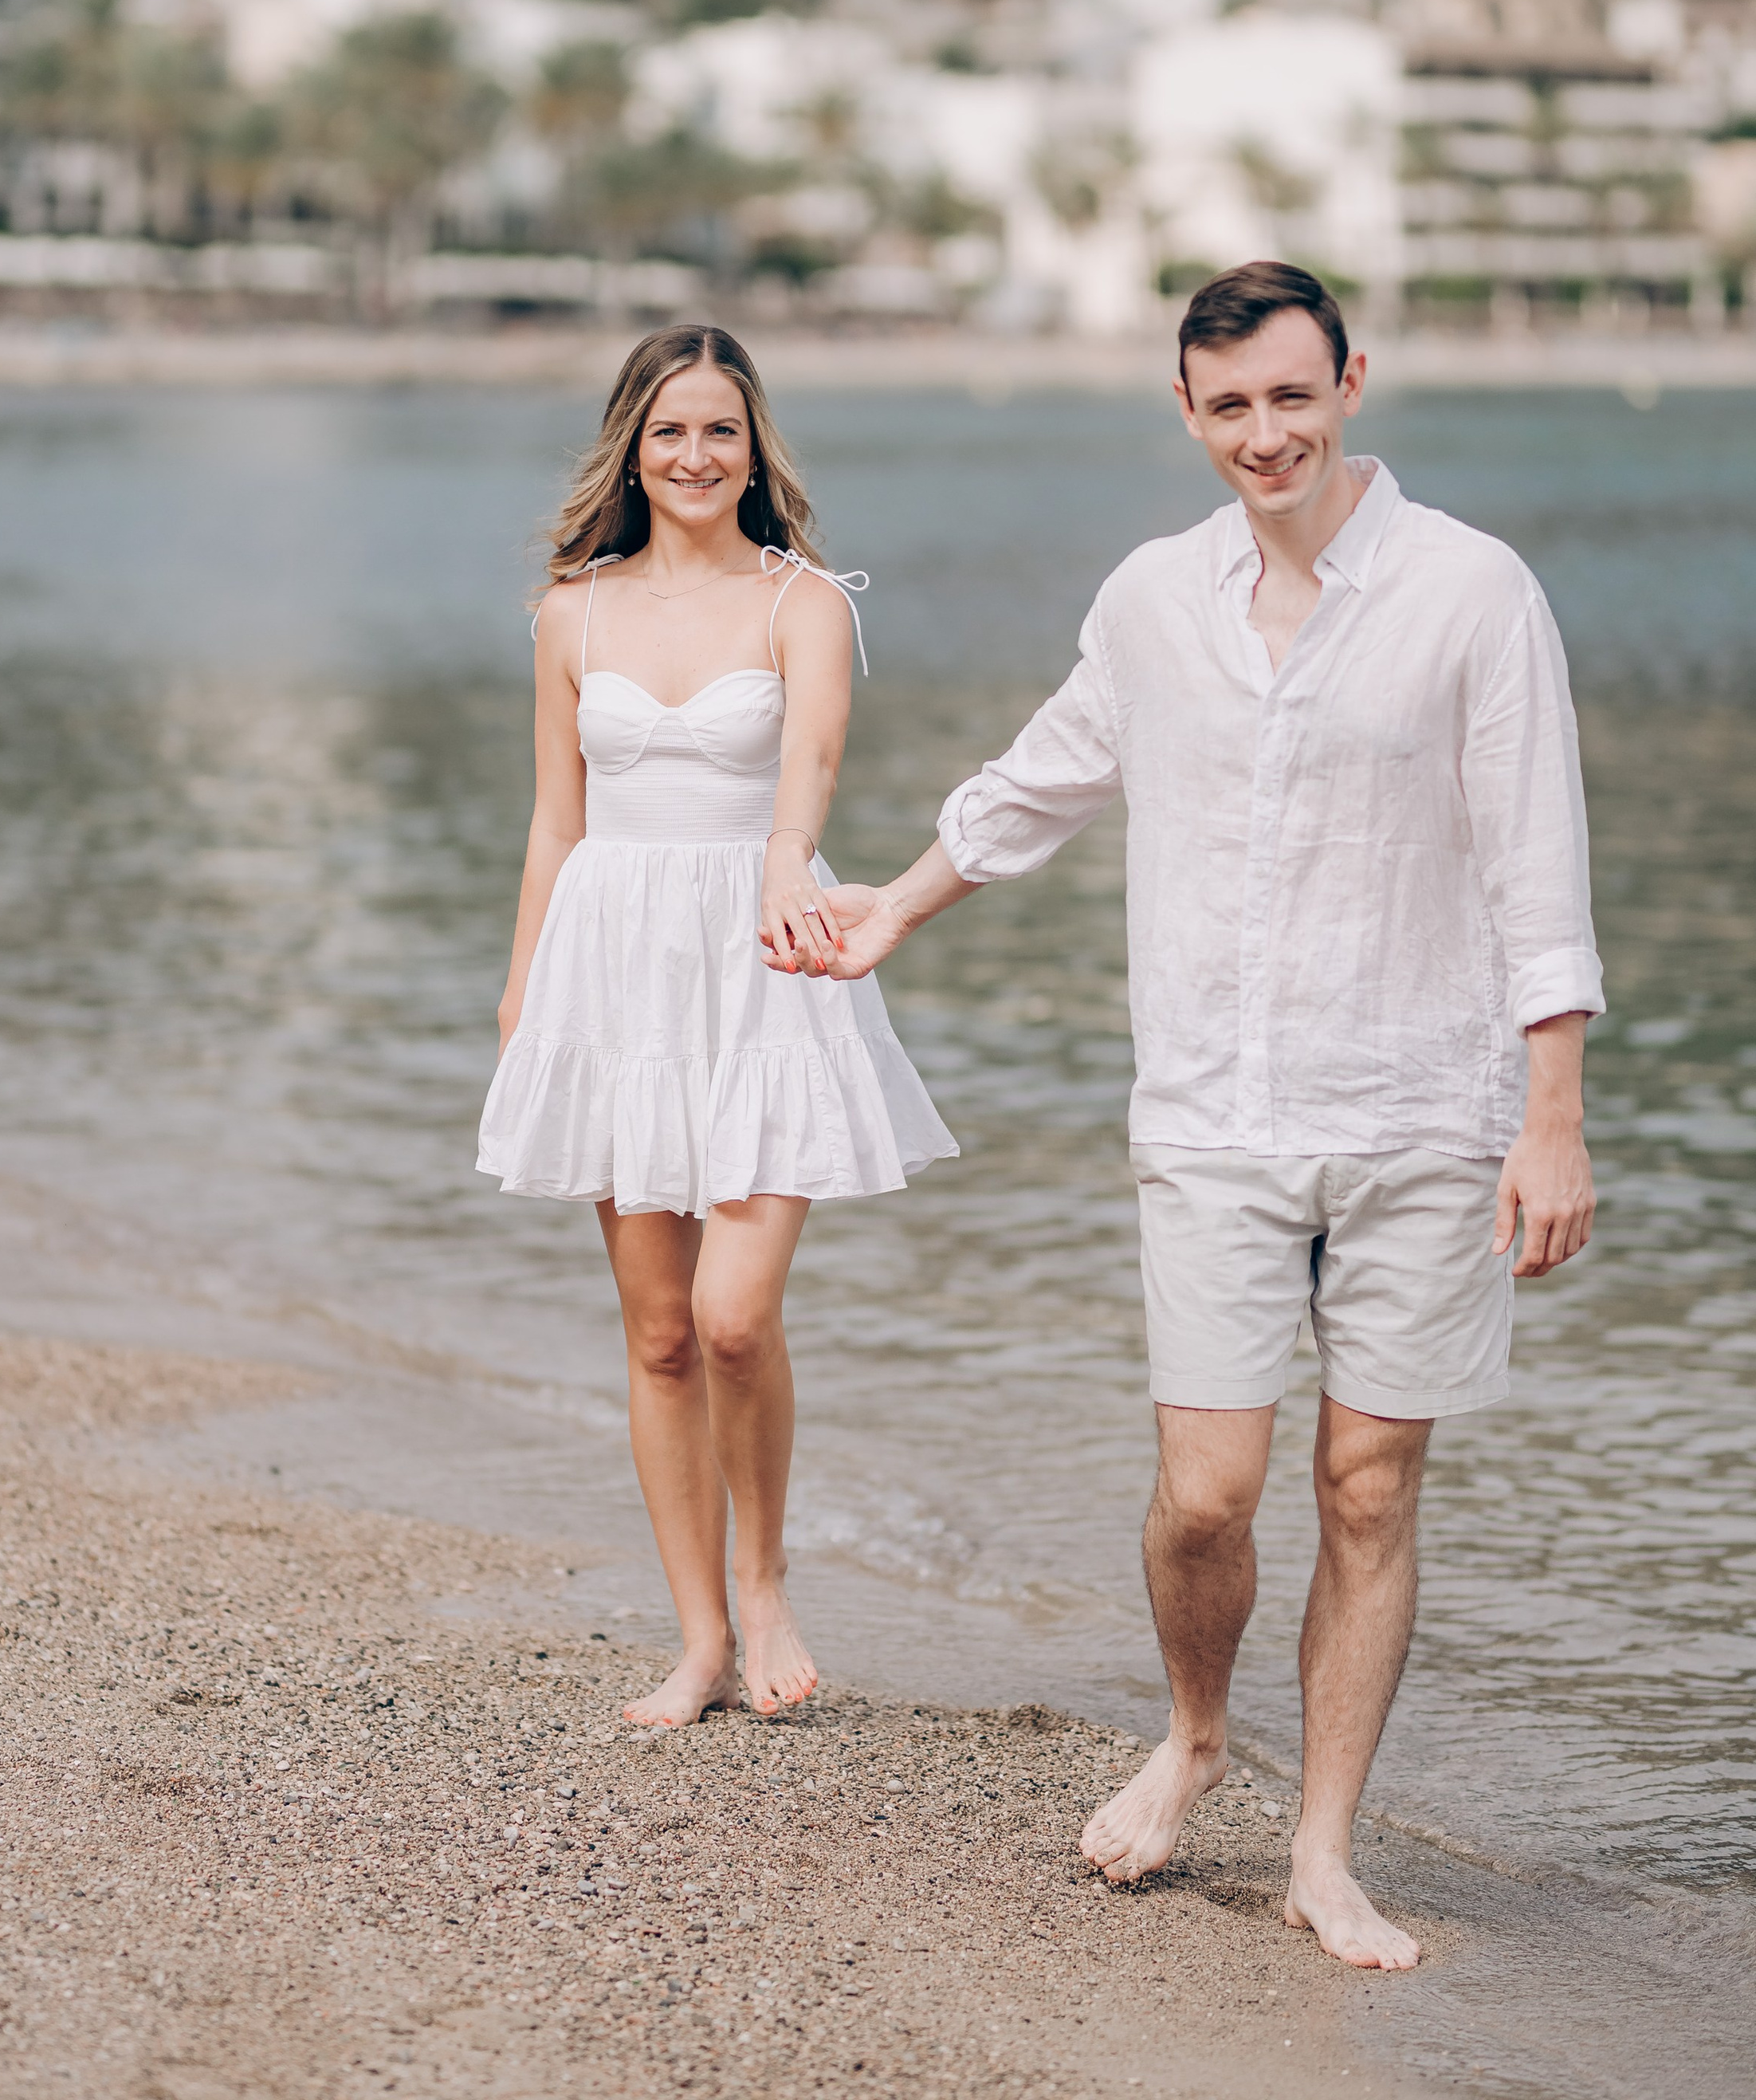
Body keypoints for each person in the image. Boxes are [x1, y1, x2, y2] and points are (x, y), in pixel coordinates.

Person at [816, 262, 1601, 1969]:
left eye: (1291, 397)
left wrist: (1552, 1110)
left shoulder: (1470, 591)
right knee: (1204, 1496)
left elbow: (1538, 862)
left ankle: (1322, 1851)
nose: (1265, 433)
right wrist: (890, 903)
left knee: (1370, 1484)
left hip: (1423, 1109)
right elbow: (1043, 774)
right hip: (1212, 1114)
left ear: (1350, 385)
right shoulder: (1149, 600)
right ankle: (1190, 1734)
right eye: (1229, 405)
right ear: (1187, 412)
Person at [479, 324, 956, 1726]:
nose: (697, 456)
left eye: (722, 431)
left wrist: (782, 863)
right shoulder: (574, 611)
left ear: (756, 451)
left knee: (736, 1317)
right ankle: (694, 1637)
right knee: (660, 1333)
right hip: (612, 970)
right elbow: (555, 818)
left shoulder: (801, 601)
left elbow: (807, 764)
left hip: (762, 958)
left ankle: (764, 1582)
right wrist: (522, 990)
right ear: (634, 443)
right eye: (672, 430)